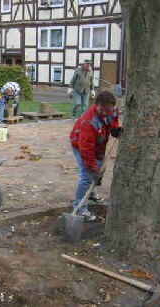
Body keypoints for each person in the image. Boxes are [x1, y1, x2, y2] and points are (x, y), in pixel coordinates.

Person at [69, 91, 122, 221]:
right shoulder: (89, 121)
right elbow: (86, 149)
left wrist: (114, 128)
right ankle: (80, 208)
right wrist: (93, 168)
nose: (105, 113)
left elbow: (113, 120)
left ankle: (91, 193)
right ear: (96, 105)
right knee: (87, 175)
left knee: (99, 168)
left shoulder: (113, 110)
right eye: (102, 109)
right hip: (81, 145)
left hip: (99, 144)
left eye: (107, 110)